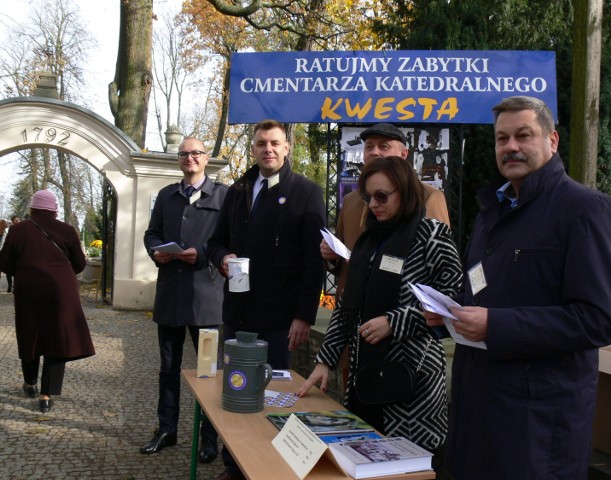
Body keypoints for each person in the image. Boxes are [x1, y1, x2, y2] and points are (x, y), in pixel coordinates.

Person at [434, 96, 611, 479]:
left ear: (552, 141)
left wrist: (496, 325)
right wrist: (446, 311)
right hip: (477, 413)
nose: (511, 147)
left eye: (523, 135)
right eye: (501, 139)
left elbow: (599, 320)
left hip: (536, 426)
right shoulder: (494, 212)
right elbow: (484, 288)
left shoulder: (586, 209)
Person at [297, 156, 463, 471]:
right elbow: (347, 310)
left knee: (404, 471)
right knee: (363, 464)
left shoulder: (431, 235)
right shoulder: (367, 241)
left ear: (405, 191)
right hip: (365, 378)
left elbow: (453, 299)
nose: (373, 204)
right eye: (368, 196)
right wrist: (324, 361)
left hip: (412, 386)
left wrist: (395, 321)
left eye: (382, 196)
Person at [208, 119, 326, 480]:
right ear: (253, 148)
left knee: (274, 398)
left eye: (275, 143)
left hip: (279, 320)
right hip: (238, 314)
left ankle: (270, 469)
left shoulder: (307, 192)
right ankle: (234, 467)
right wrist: (223, 258)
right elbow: (215, 242)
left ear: (287, 147)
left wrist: (304, 316)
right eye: (261, 143)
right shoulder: (237, 191)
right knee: (235, 393)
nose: (268, 149)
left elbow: (314, 260)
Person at [141, 137, 228, 464]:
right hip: (171, 296)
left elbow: (230, 239)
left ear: (206, 159)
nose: (189, 158)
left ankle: (209, 437)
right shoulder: (166, 196)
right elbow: (152, 233)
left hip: (207, 297)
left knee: (208, 371)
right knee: (167, 368)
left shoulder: (223, 196)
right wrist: (155, 250)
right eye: (184, 154)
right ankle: (167, 428)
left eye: (195, 153)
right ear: (179, 160)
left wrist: (203, 254)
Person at [322, 123, 450, 298]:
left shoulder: (428, 197)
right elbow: (343, 260)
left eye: (384, 146)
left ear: (404, 154)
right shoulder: (351, 200)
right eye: (369, 147)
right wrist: (332, 256)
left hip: (399, 308)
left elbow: (441, 265)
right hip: (352, 308)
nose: (375, 152)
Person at [0, 190, 94, 413]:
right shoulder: (67, 230)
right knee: (57, 339)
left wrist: (25, 271)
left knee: (30, 334)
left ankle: (30, 383)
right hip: (62, 291)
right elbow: (80, 264)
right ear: (54, 210)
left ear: (32, 208)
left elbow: (5, 264)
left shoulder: (17, 230)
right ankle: (46, 395)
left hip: (28, 291)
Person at [5, 215, 21, 293]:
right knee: (9, 270)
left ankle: (15, 287)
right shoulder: (8, 230)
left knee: (17, 271)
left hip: (19, 252)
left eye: (18, 220)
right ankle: (10, 286)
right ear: (12, 221)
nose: (17, 221)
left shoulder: (23, 229)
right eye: (15, 220)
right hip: (10, 252)